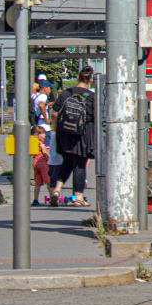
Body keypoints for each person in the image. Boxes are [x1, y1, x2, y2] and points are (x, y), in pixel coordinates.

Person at [49, 66, 97, 207]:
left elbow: (54, 114)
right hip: (82, 134)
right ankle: (79, 197)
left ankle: (56, 191)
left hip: (64, 133)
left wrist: (57, 129)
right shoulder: (91, 96)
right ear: (90, 80)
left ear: (77, 78)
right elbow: (95, 117)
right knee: (80, 164)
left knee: (67, 162)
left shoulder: (65, 93)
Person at [30, 124, 50, 206]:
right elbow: (45, 153)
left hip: (35, 162)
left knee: (38, 183)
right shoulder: (41, 143)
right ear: (36, 135)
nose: (44, 135)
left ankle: (35, 199)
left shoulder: (33, 142)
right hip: (42, 163)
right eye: (42, 133)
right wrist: (49, 160)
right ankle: (52, 197)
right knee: (48, 181)